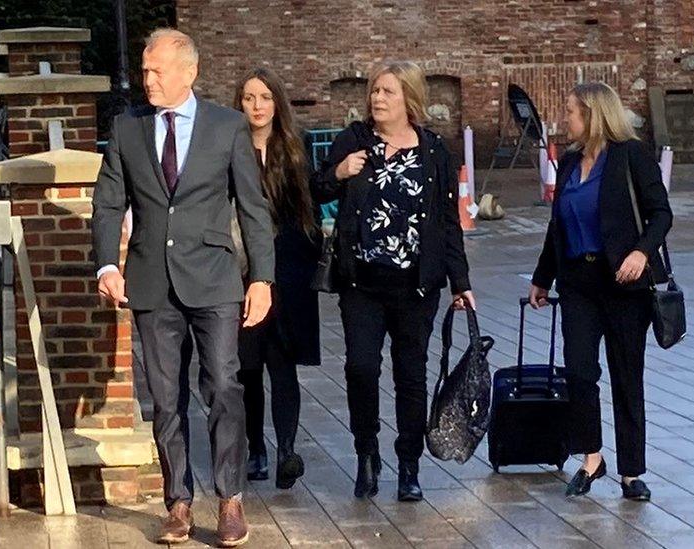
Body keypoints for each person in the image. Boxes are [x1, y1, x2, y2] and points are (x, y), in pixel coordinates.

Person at [92, 29, 275, 547]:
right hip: (151, 281)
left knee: (222, 386)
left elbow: (252, 208)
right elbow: (108, 202)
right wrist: (107, 265)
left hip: (216, 280)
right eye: (145, 70)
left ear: (188, 72)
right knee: (166, 398)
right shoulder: (128, 127)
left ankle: (230, 498)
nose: (147, 79)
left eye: (157, 71)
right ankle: (177, 502)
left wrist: (261, 278)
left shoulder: (228, 126)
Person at [310, 61, 475, 502]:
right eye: (374, 92)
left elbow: (447, 223)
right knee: (361, 368)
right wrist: (339, 172)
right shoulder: (353, 141)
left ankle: (408, 464)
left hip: (416, 287)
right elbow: (316, 190)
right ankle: (367, 452)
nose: (377, 99)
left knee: (411, 375)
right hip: (361, 283)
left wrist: (461, 282)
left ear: (409, 99)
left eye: (387, 92)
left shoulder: (435, 151)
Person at [529, 82, 672, 502]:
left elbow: (661, 213)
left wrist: (642, 253)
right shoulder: (571, 164)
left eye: (570, 112)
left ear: (592, 115)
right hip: (578, 284)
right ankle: (592, 457)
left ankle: (631, 472)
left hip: (624, 285)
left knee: (627, 376)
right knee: (579, 371)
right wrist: (543, 277)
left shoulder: (630, 156)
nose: (564, 120)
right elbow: (558, 227)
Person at [232, 68, 321, 489]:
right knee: (248, 368)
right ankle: (256, 450)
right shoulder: (227, 147)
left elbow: (309, 201)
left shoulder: (295, 147)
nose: (257, 106)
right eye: (249, 98)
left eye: (265, 97)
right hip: (241, 272)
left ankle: (287, 449)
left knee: (283, 365)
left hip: (288, 271)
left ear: (277, 102)